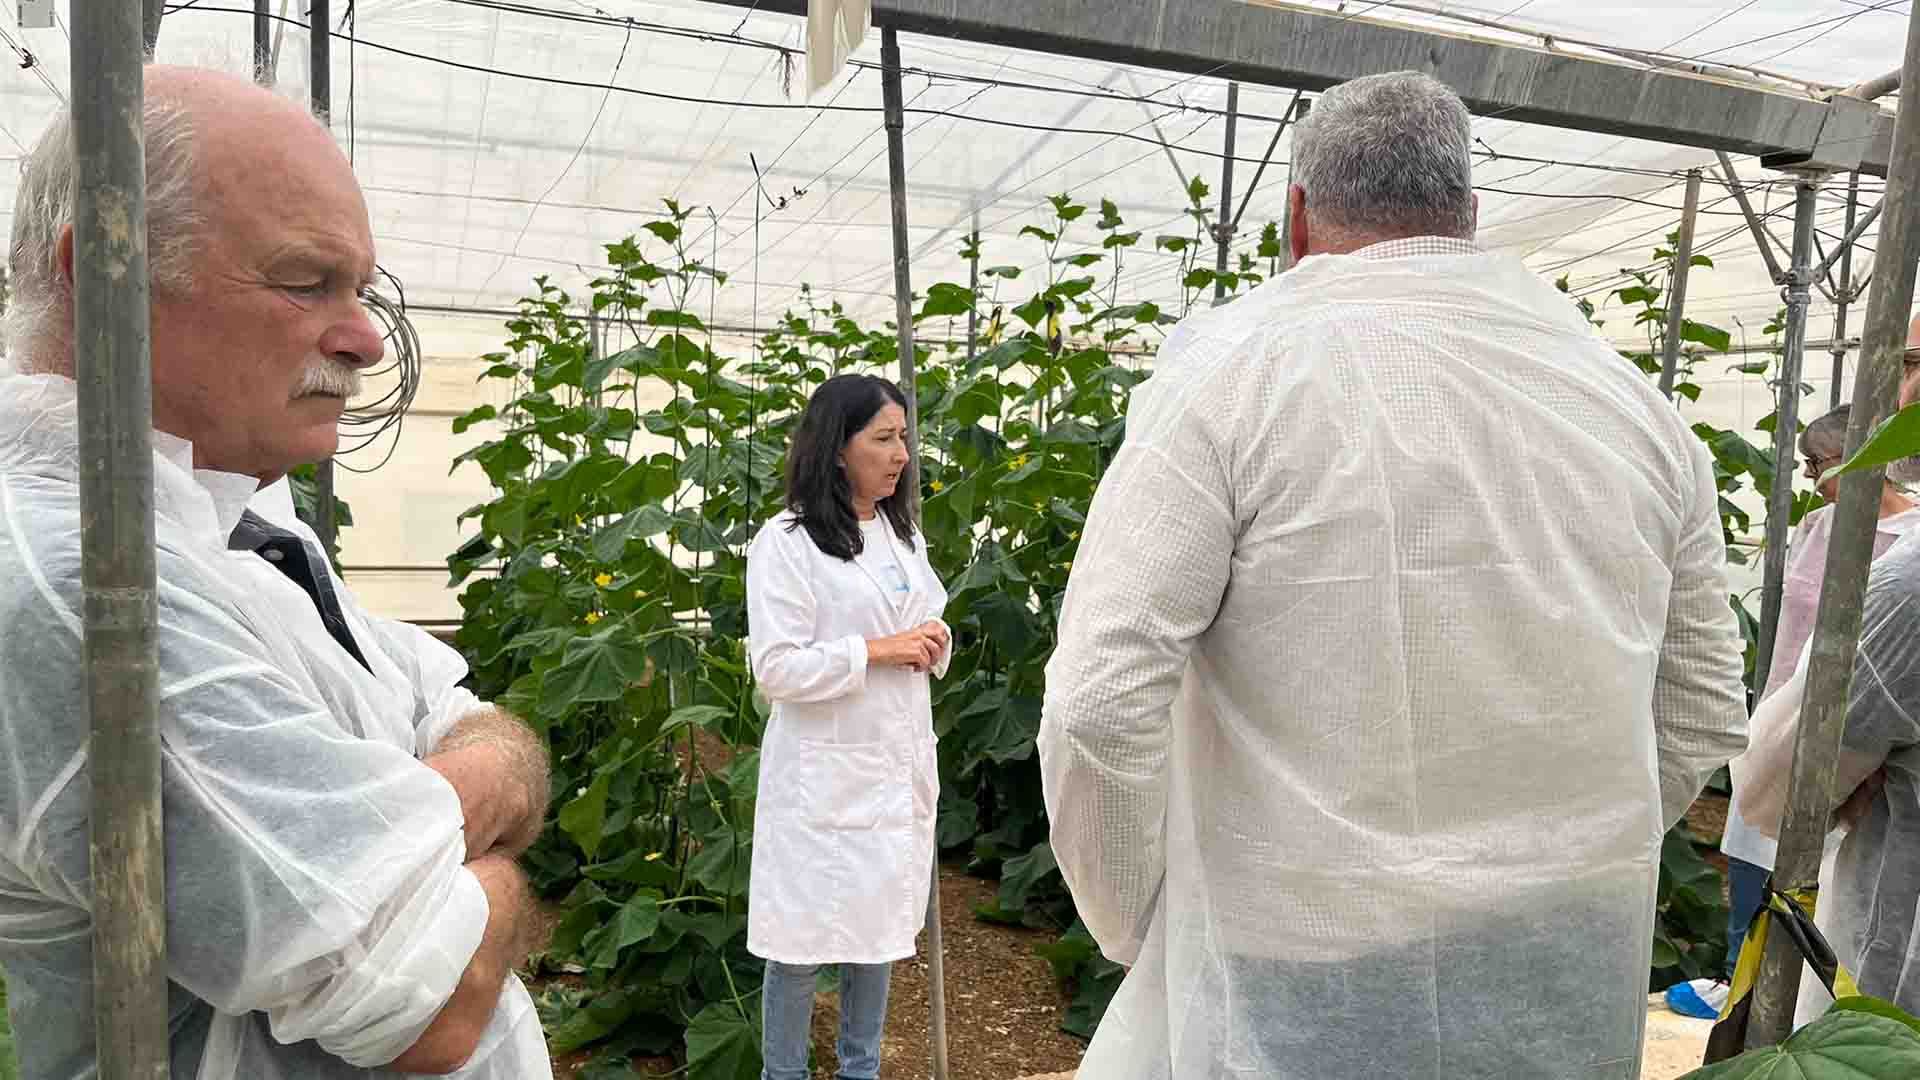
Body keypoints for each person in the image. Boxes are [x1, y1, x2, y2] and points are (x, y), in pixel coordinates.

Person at [1038, 70, 1749, 1079]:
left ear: (1294, 217)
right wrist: (1552, 859)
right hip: (1555, 970)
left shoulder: (1233, 380)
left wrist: (1145, 917)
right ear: (1468, 214)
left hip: (1298, 957)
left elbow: (1102, 706)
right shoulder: (1637, 410)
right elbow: (1705, 710)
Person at [0, 68, 552, 1078]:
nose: (367, 336)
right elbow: (425, 1003)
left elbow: (435, 688)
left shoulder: (224, 506)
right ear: (106, 274)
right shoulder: (89, 591)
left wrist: (431, 812)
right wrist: (503, 859)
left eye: (362, 288)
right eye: (307, 282)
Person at [744, 374, 952, 1080]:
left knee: (878, 932)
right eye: (885, 439)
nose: (901, 455)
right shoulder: (787, 542)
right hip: (822, 781)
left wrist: (930, 635)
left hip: (891, 770)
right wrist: (878, 651)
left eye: (904, 439)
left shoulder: (900, 533)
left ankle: (860, 1071)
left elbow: (931, 612)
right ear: (838, 448)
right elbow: (776, 667)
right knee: (799, 944)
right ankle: (786, 1074)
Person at [1693, 405, 1920, 1007]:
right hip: (1779, 728)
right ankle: (1743, 1011)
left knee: (1817, 925)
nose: (1811, 477)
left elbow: (1877, 692)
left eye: (1817, 463)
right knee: (1756, 902)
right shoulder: (1818, 528)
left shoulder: (1908, 553)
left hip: (1847, 756)